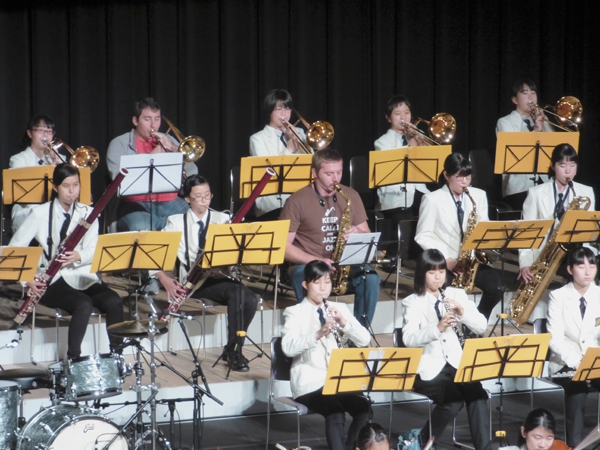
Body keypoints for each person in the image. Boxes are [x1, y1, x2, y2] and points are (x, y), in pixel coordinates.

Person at [9, 163, 124, 359]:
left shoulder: (88, 213)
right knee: (83, 304)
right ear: (55, 187)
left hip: (81, 275)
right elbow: (15, 249)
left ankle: (117, 357)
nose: (72, 191)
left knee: (114, 301)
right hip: (52, 279)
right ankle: (73, 360)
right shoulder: (39, 213)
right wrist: (27, 279)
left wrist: (79, 256)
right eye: (66, 186)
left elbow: (94, 249)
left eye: (76, 185)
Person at [154, 175, 258, 372]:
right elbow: (156, 254)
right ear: (187, 199)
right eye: (199, 197)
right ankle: (234, 353)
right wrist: (164, 279)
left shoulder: (223, 219)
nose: (204, 201)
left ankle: (234, 348)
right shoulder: (176, 222)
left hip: (218, 276)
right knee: (239, 294)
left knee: (250, 299)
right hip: (193, 282)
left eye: (208, 195)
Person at [279, 148, 380, 327]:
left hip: (343, 263)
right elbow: (283, 247)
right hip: (309, 265)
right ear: (314, 173)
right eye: (329, 174)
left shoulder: (351, 196)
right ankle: (314, 331)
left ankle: (358, 334)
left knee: (371, 278)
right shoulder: (296, 201)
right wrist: (316, 260)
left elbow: (367, 234)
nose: (335, 179)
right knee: (300, 273)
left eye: (339, 172)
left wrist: (358, 233)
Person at [402, 249, 490, 450]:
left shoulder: (457, 294)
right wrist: (437, 328)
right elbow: (408, 339)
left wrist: (462, 312)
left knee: (478, 395)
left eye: (441, 271)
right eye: (432, 272)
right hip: (429, 368)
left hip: (457, 363)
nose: (438, 277)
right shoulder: (412, 302)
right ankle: (423, 442)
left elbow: (481, 326)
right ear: (422, 274)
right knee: (452, 402)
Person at [281, 260, 371, 450]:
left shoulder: (340, 309)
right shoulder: (294, 312)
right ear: (305, 284)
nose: (323, 288)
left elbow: (364, 339)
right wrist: (318, 333)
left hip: (338, 380)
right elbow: (288, 347)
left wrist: (344, 323)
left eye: (327, 282)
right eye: (317, 282)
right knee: (335, 411)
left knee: (364, 408)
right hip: (310, 382)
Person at [415, 153, 502, 320]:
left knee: (496, 287)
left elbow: (483, 227)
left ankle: (475, 325)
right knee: (444, 296)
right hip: (445, 263)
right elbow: (423, 236)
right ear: (446, 175)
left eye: (468, 177)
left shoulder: (478, 196)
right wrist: (447, 260)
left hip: (471, 261)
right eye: (459, 177)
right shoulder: (431, 199)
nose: (464, 182)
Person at [106, 97, 198, 232]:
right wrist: (150, 157)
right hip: (135, 203)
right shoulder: (119, 143)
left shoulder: (168, 139)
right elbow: (117, 178)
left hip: (171, 202)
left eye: (157, 119)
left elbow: (192, 172)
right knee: (141, 228)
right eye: (147, 119)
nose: (153, 125)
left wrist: (174, 149)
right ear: (135, 121)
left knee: (194, 222)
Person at [518, 143, 595, 283]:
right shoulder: (535, 193)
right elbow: (526, 233)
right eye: (562, 165)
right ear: (553, 166)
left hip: (573, 255)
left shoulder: (586, 192)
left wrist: (587, 260)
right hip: (544, 256)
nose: (568, 171)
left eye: (572, 165)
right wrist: (525, 264)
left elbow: (588, 234)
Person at [547, 247, 600, 447]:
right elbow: (554, 339)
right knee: (577, 392)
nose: (588, 271)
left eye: (592, 266)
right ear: (570, 269)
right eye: (581, 266)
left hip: (595, 359)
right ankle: (575, 446)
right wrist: (577, 363)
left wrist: (592, 364)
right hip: (567, 360)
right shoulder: (558, 296)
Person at [374, 95, 430, 264]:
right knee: (404, 214)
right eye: (397, 114)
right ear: (388, 118)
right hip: (393, 194)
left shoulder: (418, 138)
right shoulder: (382, 142)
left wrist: (422, 144)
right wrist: (411, 145)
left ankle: (427, 255)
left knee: (435, 206)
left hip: (418, 190)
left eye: (407, 112)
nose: (403, 117)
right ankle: (393, 256)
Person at [496, 78, 553, 210]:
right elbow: (516, 150)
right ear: (514, 100)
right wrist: (536, 130)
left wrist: (545, 122)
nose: (531, 97)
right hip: (518, 187)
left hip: (544, 183)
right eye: (525, 93)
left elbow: (554, 148)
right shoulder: (505, 122)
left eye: (533, 93)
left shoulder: (543, 119)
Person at [249, 89, 307, 218]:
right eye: (279, 109)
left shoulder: (299, 132)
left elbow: (312, 163)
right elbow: (269, 172)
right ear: (269, 111)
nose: (284, 114)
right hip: (272, 200)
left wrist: (297, 140)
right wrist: (289, 150)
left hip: (299, 196)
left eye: (287, 109)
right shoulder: (257, 139)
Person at [9, 114, 65, 233]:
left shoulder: (61, 159)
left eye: (49, 131)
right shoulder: (18, 159)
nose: (45, 135)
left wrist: (59, 166)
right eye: (40, 130)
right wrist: (48, 170)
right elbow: (20, 193)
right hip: (26, 211)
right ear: (30, 134)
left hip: (54, 211)